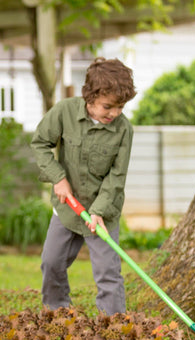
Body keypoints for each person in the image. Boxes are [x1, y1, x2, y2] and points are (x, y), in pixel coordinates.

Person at [31, 57, 136, 315]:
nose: (114, 113)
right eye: (107, 106)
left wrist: (98, 210)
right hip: (68, 208)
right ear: (89, 97)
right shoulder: (65, 112)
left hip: (102, 215)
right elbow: (40, 144)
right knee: (52, 262)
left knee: (108, 274)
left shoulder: (123, 130)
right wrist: (58, 177)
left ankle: (114, 326)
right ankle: (57, 313)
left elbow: (116, 176)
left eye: (120, 107)